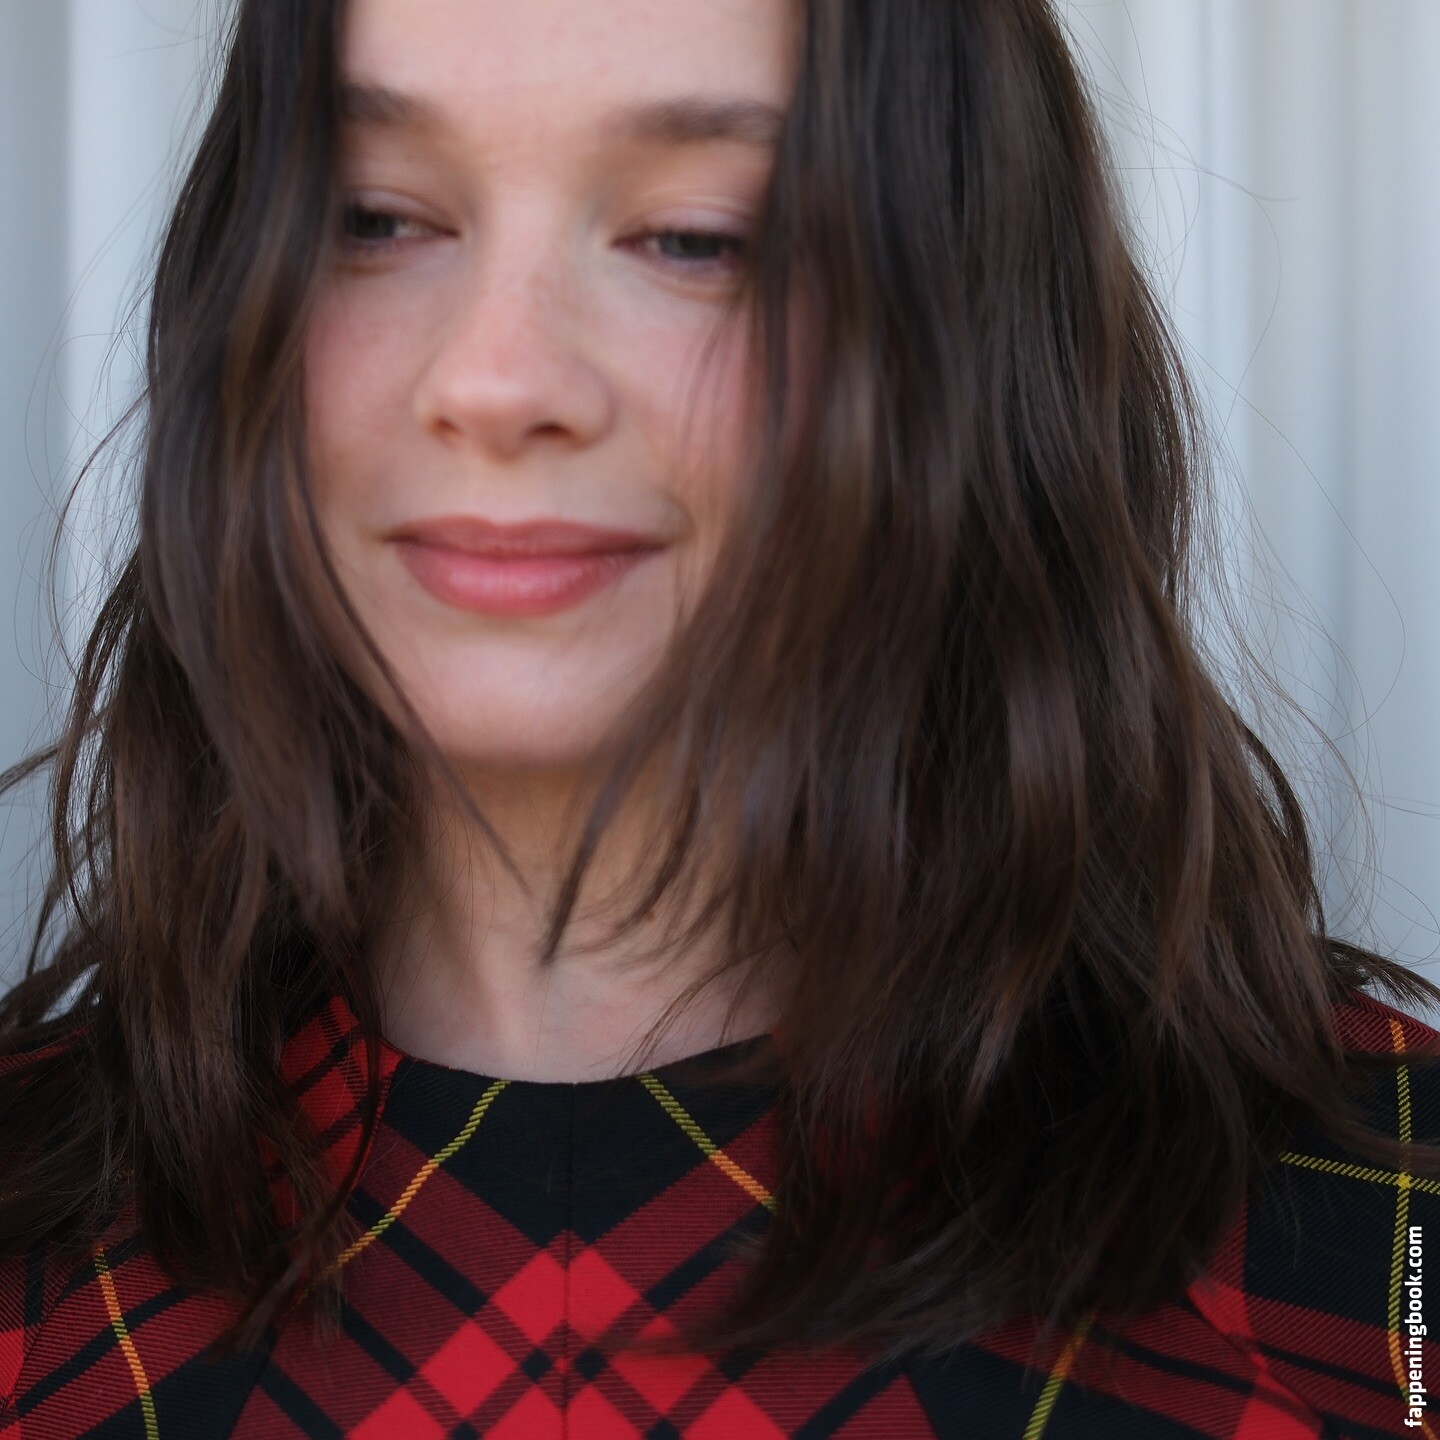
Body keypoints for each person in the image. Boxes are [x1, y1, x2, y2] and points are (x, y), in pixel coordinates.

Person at [2, 0, 1438, 1435]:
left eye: (697, 239)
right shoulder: (30, 1265)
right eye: (372, 217)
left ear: (971, 339)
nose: (493, 382)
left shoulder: (1394, 1249)